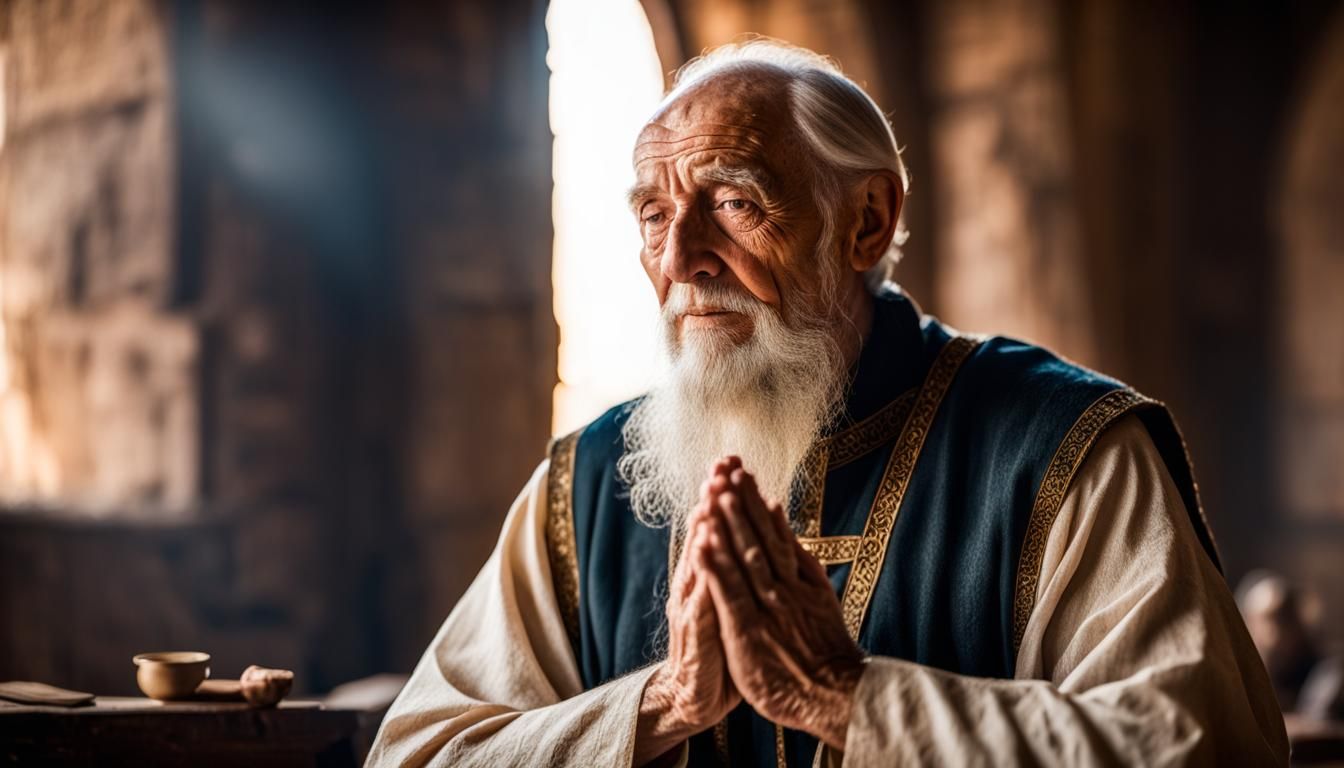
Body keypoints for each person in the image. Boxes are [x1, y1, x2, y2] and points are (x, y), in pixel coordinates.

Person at [367, 40, 1288, 766]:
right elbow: (420, 754)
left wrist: (847, 696)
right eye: (653, 215)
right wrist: (664, 705)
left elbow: (1197, 747)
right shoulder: (585, 487)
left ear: (866, 222)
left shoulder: (1061, 450)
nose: (681, 256)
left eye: (734, 202)